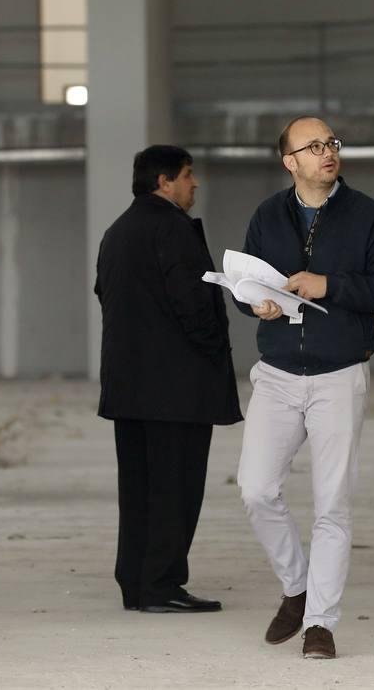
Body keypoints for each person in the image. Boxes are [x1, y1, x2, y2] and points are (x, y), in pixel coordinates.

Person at [235, 116, 374, 660]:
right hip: (279, 374)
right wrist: (252, 303)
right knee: (256, 489)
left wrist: (329, 285)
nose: (326, 152)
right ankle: (297, 586)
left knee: (332, 504)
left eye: (331, 143)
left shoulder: (368, 216)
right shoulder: (268, 215)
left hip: (338, 376)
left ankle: (321, 624)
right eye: (312, 146)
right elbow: (247, 283)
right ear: (290, 161)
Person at [94, 145, 242, 613]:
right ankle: (162, 585)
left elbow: (107, 295)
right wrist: (213, 353)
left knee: (138, 489)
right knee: (175, 490)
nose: (194, 184)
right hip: (177, 391)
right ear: (164, 182)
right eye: (188, 175)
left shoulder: (117, 232)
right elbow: (194, 304)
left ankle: (136, 584)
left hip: (129, 389)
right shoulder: (173, 230)